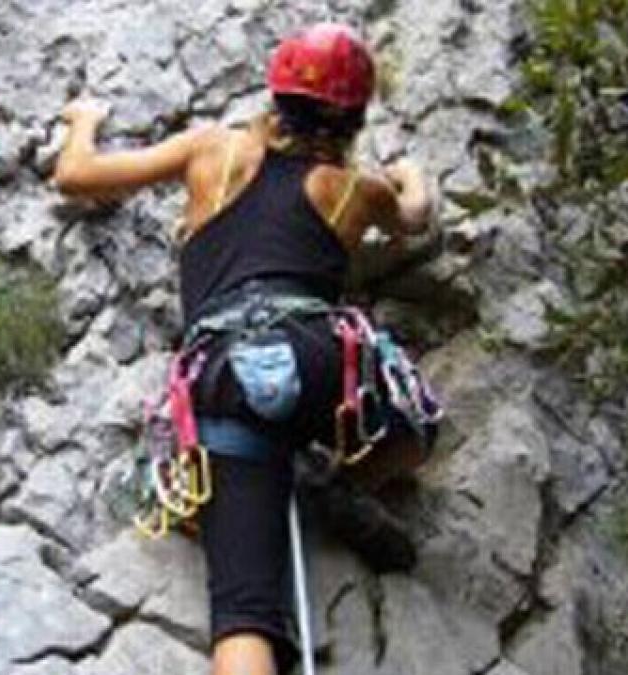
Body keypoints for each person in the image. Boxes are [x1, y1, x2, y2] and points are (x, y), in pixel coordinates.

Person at [54, 22, 437, 675]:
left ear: (276, 92)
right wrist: (408, 171)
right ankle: (340, 482)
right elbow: (416, 217)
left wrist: (84, 119)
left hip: (227, 375)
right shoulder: (354, 189)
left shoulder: (214, 151)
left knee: (245, 609)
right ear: (355, 116)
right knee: (414, 428)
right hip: (321, 361)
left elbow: (77, 176)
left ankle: (300, 498)